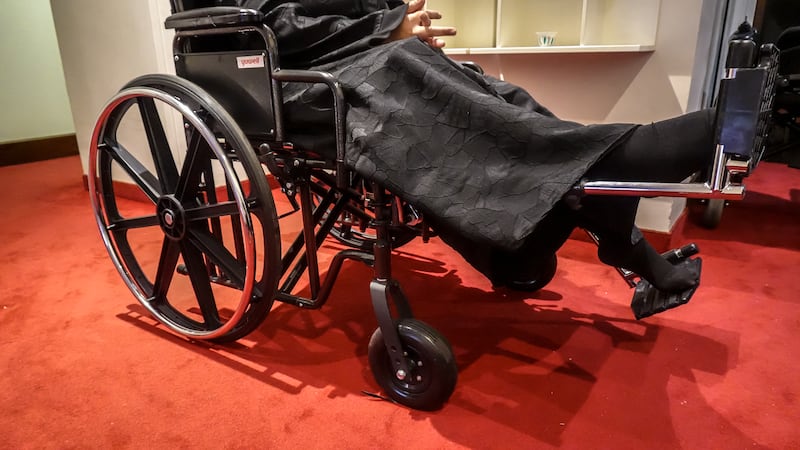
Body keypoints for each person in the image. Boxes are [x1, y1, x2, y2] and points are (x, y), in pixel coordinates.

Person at [250, 0, 725, 317]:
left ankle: (611, 208)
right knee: (425, 91)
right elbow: (269, 23)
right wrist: (384, 28)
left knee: (497, 96)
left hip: (365, 60)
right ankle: (622, 186)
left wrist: (399, 28)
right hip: (304, 83)